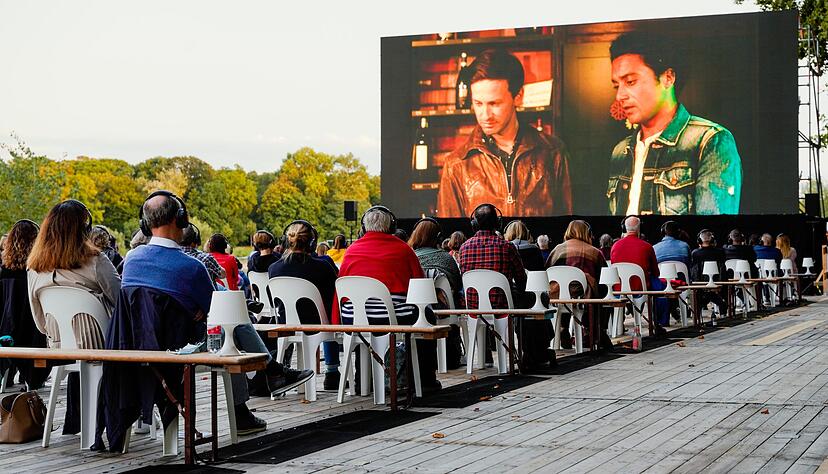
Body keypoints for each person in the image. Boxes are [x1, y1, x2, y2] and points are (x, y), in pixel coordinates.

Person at [114, 191, 313, 438]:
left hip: (137, 344)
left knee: (230, 313)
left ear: (145, 224)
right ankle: (251, 397)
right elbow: (215, 310)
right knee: (232, 319)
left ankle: (271, 372)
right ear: (181, 219)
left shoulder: (131, 260)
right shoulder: (190, 266)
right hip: (181, 347)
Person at [607, 31, 742, 215]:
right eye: (616, 86)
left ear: (668, 77)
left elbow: (712, 234)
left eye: (630, 81)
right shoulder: (620, 151)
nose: (619, 96)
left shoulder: (710, 141)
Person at [437, 49, 573, 217]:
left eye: (494, 104)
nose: (485, 115)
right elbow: (452, 239)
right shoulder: (456, 165)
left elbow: (571, 228)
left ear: (518, 96)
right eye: (478, 104)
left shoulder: (554, 152)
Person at [27, 199, 121, 436]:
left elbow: (40, 322)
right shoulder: (96, 261)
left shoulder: (34, 269)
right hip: (101, 346)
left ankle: (76, 422)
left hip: (60, 348)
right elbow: (122, 302)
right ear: (84, 230)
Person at [333, 206, 441, 392]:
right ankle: (425, 380)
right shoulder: (403, 249)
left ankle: (362, 381)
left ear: (364, 228)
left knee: (363, 317)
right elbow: (420, 285)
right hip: (392, 317)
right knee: (428, 317)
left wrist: (336, 322)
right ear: (392, 226)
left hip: (354, 319)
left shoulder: (350, 251)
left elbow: (340, 289)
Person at [459, 204, 553, 370]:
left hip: (473, 308)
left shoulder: (464, 247)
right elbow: (522, 281)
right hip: (502, 306)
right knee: (534, 299)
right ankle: (535, 352)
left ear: (474, 223)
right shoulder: (507, 247)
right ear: (498, 223)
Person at [268, 221, 341, 390]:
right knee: (330, 313)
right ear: (312, 243)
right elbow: (334, 296)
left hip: (287, 322)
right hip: (318, 323)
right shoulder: (322, 267)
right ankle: (332, 372)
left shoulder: (274, 269)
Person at [546, 220, 613, 351]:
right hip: (583, 298)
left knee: (565, 292)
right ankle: (592, 330)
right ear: (587, 233)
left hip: (557, 297)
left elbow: (546, 271)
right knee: (600, 291)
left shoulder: (557, 250)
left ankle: (562, 328)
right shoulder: (595, 252)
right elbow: (604, 278)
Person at [407, 217, 465, 370]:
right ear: (439, 237)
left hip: (416, 314)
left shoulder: (410, 257)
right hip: (447, 314)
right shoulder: (447, 259)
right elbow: (458, 285)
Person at [0, 219, 48, 389]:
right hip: (33, 328)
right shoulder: (39, 268)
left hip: (6, 327)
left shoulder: (4, 268)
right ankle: (34, 380)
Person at [610, 216, 668, 334]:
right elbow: (656, 273)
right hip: (641, 289)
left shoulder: (615, 246)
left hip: (619, 290)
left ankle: (619, 326)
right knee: (657, 284)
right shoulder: (647, 246)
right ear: (640, 229)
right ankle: (657, 323)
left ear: (624, 229)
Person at [690, 230, 728, 316]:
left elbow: (694, 271)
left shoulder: (695, 253)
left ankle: (697, 317)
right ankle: (723, 312)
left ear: (699, 241)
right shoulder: (720, 252)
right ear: (713, 241)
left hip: (700, 284)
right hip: (718, 283)